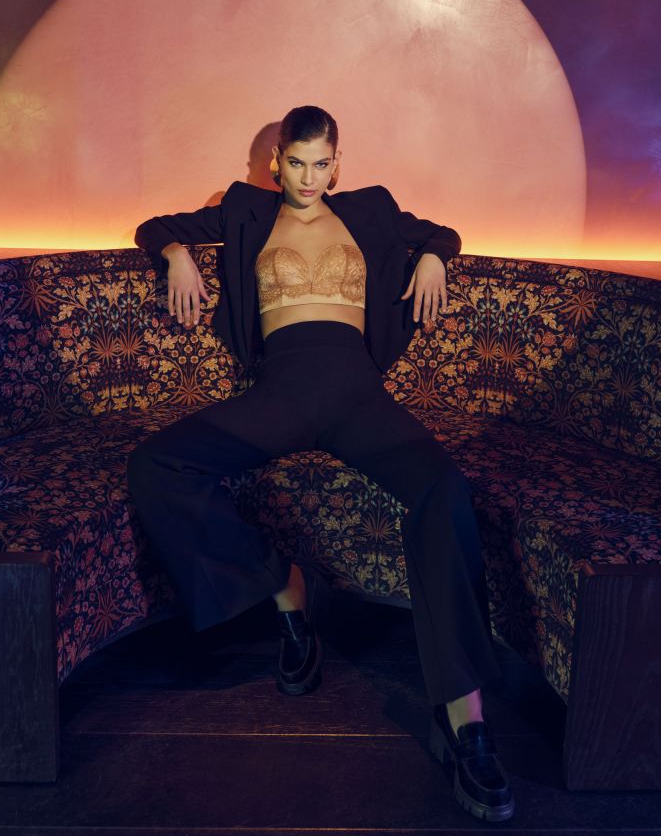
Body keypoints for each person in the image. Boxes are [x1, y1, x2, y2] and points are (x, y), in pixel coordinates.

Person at [127, 105, 515, 821]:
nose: (308, 178)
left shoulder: (371, 209)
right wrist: (175, 252)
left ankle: (465, 718)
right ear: (277, 160)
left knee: (444, 489)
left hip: (357, 393)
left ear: (338, 164)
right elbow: (155, 227)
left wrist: (435, 256)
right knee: (158, 465)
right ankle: (285, 584)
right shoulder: (244, 210)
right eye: (297, 163)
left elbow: (443, 234)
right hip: (280, 391)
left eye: (322, 164)